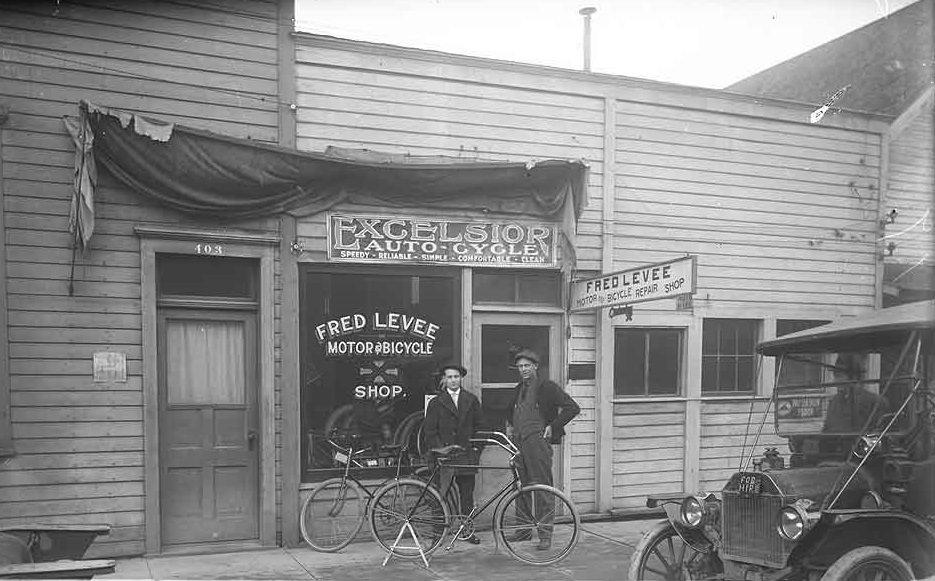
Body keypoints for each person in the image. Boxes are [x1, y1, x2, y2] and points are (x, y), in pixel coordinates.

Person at [504, 349, 580, 551]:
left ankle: (545, 535)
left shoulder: (548, 387)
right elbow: (512, 412)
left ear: (535, 366)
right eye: (520, 366)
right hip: (519, 443)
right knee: (520, 487)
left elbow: (573, 407)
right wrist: (510, 426)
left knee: (542, 488)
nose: (523, 369)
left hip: (538, 441)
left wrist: (553, 426)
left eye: (527, 365)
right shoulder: (519, 388)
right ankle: (523, 530)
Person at [422, 363, 484, 545]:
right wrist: (440, 450)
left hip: (465, 455)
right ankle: (437, 533)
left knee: (466, 496)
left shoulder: (471, 400)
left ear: (461, 378)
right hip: (445, 457)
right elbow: (430, 431)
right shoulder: (436, 403)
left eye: (456, 377)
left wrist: (476, 449)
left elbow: (480, 427)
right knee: (440, 496)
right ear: (444, 380)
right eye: (449, 377)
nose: (453, 380)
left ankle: (467, 531)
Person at [823, 352, 888, 434]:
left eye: (840, 376)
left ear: (854, 377)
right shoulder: (834, 403)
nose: (835, 381)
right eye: (835, 376)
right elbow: (825, 433)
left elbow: (877, 437)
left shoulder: (875, 403)